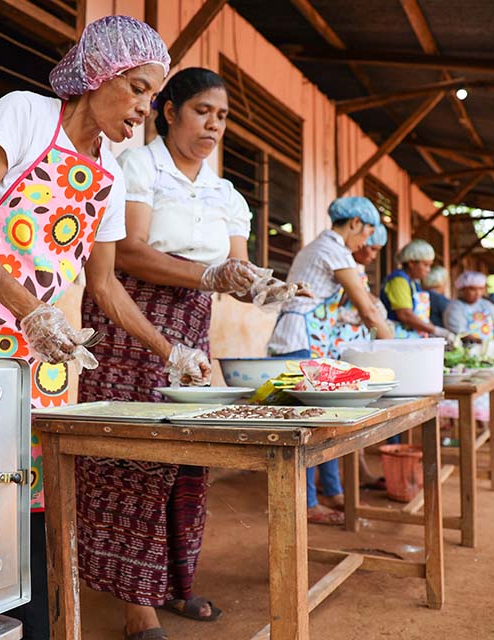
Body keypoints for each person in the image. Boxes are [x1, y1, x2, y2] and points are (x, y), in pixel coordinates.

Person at [0, 17, 212, 639]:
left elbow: (104, 287)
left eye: (154, 96)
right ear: (99, 75)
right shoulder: (24, 115)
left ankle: (30, 624)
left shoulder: (112, 177)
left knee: (33, 491)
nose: (145, 110)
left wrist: (168, 346)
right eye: (140, 90)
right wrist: (29, 307)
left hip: (36, 344)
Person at [75, 67, 299, 639]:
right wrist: (211, 274)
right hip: (130, 318)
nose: (213, 126)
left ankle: (177, 582)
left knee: (189, 453)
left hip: (192, 323)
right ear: (168, 110)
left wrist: (263, 288)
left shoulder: (226, 195)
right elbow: (128, 253)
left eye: (222, 117)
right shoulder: (137, 168)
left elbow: (235, 270)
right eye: (202, 111)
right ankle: (135, 603)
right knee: (137, 456)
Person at [267, 197, 394, 527]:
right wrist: (394, 347)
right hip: (299, 340)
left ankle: (333, 491)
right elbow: (366, 308)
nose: (365, 241)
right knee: (306, 423)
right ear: (354, 223)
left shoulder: (327, 248)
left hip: (311, 339)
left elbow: (353, 308)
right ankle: (307, 502)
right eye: (366, 233)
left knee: (323, 420)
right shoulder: (332, 248)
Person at [380, 240, 455, 341]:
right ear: (411, 263)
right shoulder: (399, 280)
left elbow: (421, 315)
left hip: (413, 338)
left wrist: (433, 331)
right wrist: (435, 330)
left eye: (430, 265)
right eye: (425, 265)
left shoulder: (414, 284)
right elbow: (405, 315)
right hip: (397, 337)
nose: (428, 270)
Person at [443, 271, 494, 343]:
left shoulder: (487, 304)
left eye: (481, 289)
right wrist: (487, 345)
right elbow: (462, 335)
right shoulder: (454, 308)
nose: (478, 293)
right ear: (462, 289)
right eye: (472, 289)